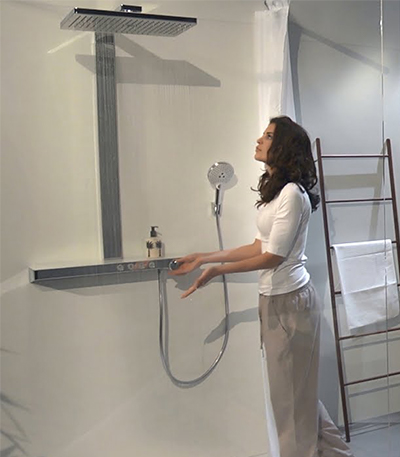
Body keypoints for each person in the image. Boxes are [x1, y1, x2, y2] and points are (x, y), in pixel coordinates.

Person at [169, 116, 355, 457]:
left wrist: (216, 271)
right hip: (276, 301)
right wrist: (205, 257)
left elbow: (272, 257)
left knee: (290, 403)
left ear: (283, 147)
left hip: (290, 303)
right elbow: (258, 246)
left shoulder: (292, 194)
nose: (259, 140)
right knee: (298, 395)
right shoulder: (276, 192)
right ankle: (338, 452)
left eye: (268, 136)